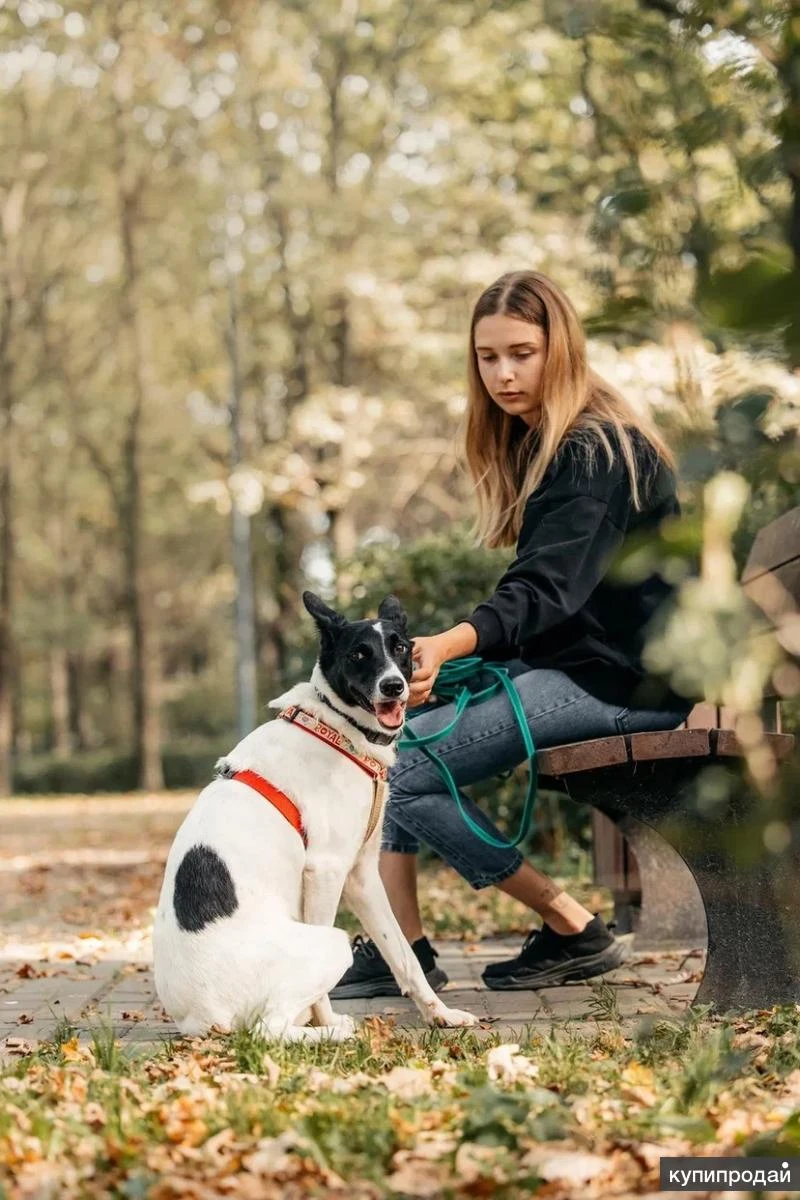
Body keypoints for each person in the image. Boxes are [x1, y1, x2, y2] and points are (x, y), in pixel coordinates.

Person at [332, 270, 692, 999]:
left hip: (630, 682)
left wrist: (449, 644)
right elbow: (554, 601)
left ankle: (571, 926)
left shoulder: (596, 451)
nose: (503, 374)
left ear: (561, 349)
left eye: (522, 354)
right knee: (397, 745)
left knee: (403, 771)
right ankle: (402, 949)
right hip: (588, 669)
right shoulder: (549, 444)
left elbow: (543, 592)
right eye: (488, 357)